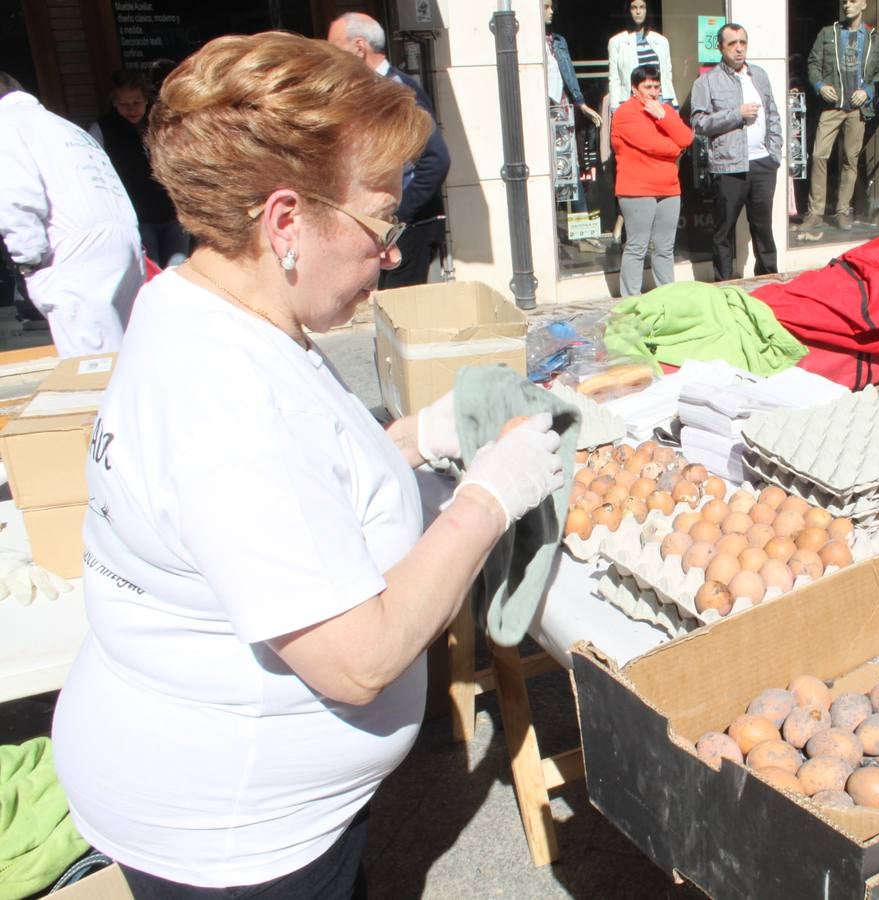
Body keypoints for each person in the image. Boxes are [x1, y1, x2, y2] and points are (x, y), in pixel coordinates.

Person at [50, 32, 564, 897]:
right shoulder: (224, 393)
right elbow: (359, 658)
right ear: (285, 221)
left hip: (227, 795)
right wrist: (485, 499)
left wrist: (412, 441)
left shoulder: (212, 303)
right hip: (234, 831)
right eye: (379, 221)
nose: (393, 251)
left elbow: (293, 480)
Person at [0, 72, 143, 356]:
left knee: (93, 365)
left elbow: (15, 197)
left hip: (73, 252)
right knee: (131, 351)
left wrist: (28, 260)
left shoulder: (7, 126)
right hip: (123, 239)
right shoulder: (62, 126)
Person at [328, 12, 451, 288]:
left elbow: (435, 160)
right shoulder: (366, 90)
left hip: (408, 229)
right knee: (388, 317)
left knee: (402, 320)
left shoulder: (398, 91)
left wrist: (397, 216)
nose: (330, 59)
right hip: (386, 227)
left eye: (334, 49)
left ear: (359, 47)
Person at [690, 24, 783, 281]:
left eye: (743, 42)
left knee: (763, 227)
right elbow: (699, 123)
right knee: (724, 230)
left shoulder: (759, 75)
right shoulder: (707, 81)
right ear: (721, 47)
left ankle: (768, 279)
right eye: (732, 43)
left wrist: (774, 153)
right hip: (728, 166)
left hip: (763, 163)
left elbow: (773, 114)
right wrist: (736, 114)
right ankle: (725, 285)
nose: (739, 47)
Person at [90, 69, 191, 268]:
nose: (131, 109)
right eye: (123, 105)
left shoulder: (160, 123)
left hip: (172, 211)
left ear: (146, 100)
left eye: (136, 103)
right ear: (114, 104)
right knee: (149, 271)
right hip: (134, 215)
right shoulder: (103, 129)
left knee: (178, 268)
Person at [800, 0, 879, 232]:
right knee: (818, 154)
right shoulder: (828, 33)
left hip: (856, 108)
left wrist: (867, 91)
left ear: (864, 5)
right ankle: (815, 212)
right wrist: (819, 85)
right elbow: (813, 63)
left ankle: (842, 210)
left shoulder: (873, 38)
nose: (847, 5)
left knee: (850, 160)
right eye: (845, 1)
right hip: (832, 105)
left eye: (853, 1)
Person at [610, 65, 693, 296]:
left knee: (665, 248)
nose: (654, 92)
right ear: (635, 89)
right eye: (648, 87)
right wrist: (675, 149)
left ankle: (667, 298)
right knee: (637, 246)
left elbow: (686, 138)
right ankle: (630, 301)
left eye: (657, 86)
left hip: (669, 187)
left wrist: (664, 116)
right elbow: (654, 145)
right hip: (637, 189)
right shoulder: (625, 113)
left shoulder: (664, 110)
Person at [545, 0, 602, 215]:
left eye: (551, 7)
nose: (551, 12)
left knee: (571, 168)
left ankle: (583, 229)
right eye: (545, 7)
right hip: (540, 114)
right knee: (547, 171)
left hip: (561, 112)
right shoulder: (529, 43)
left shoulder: (557, 42)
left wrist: (581, 104)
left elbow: (568, 75)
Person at [607, 0, 675, 111]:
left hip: (659, 102)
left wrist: (669, 103)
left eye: (642, 7)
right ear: (628, 11)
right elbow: (614, 79)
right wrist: (615, 108)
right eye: (634, 8)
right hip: (632, 103)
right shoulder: (616, 42)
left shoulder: (661, 41)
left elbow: (667, 75)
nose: (638, 12)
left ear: (647, 10)